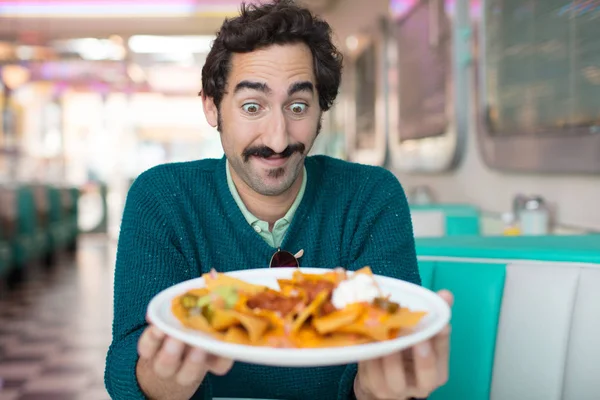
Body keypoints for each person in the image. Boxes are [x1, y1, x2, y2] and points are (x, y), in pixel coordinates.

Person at [104, 1, 453, 399]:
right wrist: (161, 378)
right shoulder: (163, 198)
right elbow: (125, 363)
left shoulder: (370, 196)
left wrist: (377, 390)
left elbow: (386, 356)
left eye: (298, 106)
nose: (278, 138)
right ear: (211, 107)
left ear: (322, 110)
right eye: (252, 106)